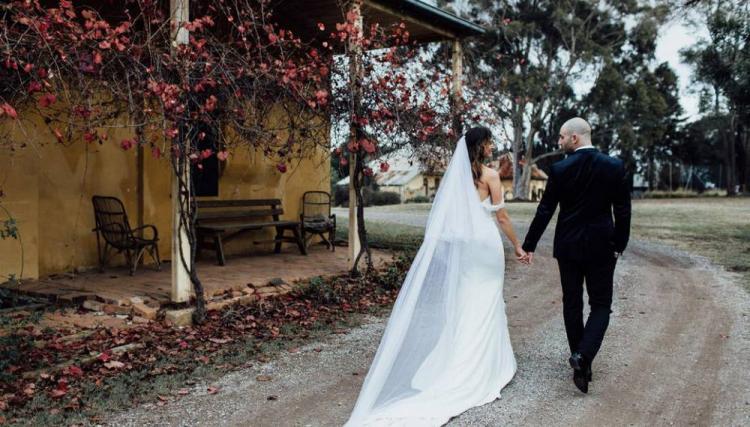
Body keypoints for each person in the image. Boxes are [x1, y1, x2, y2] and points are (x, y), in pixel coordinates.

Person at [345, 127, 526, 426]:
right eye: (490, 142)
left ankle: (460, 357)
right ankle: (481, 365)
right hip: (486, 245)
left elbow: (448, 218)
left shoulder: (456, 178)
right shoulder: (491, 176)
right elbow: (502, 216)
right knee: (487, 298)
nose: (493, 146)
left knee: (468, 298)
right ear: (480, 146)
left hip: (467, 246)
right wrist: (517, 245)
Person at [521, 117, 632, 393]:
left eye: (561, 137)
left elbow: (545, 209)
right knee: (601, 305)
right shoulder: (614, 166)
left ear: (575, 138)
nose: (558, 142)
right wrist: (619, 243)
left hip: (568, 246)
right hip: (602, 246)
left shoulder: (560, 169)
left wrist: (530, 244)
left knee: (572, 303)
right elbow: (623, 210)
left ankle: (581, 359)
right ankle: (583, 357)